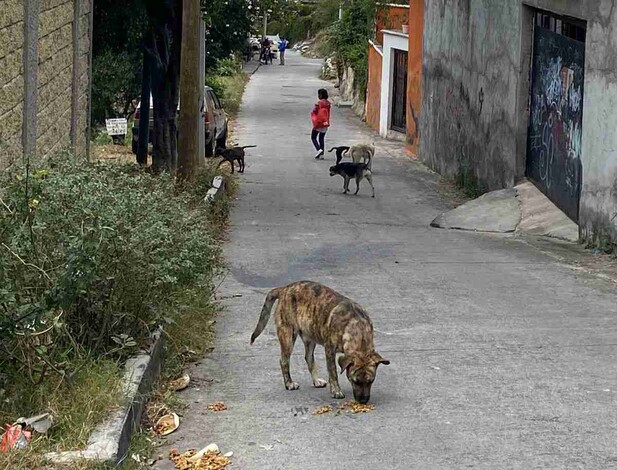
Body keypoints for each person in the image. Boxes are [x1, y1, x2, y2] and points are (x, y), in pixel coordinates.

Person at [310, 88, 331, 159]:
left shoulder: (318, 103)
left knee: (313, 137)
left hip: (319, 123)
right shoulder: (328, 103)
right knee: (321, 138)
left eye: (319, 94)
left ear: (320, 95)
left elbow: (315, 111)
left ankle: (319, 149)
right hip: (325, 123)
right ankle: (322, 155)